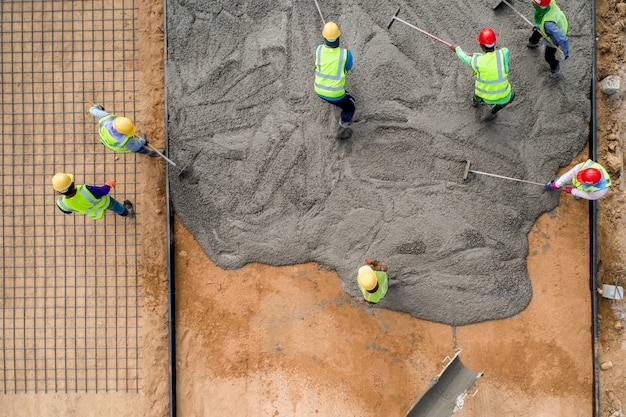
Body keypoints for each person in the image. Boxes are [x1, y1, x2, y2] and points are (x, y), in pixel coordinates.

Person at [450, 28, 515, 120]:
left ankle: (475, 102)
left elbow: (464, 57)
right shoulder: (503, 53)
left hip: (484, 96)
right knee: (511, 95)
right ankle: (493, 111)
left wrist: (457, 49)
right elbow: (498, 53)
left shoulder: (476, 61)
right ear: (494, 43)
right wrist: (474, 54)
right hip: (503, 97)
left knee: (477, 95)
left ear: (481, 46)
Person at [314, 21, 356, 129]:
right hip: (335, 94)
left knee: (344, 96)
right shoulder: (346, 54)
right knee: (351, 105)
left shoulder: (318, 49)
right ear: (339, 36)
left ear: (324, 37)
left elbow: (320, 48)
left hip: (318, 89)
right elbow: (348, 67)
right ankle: (343, 125)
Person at [52, 172, 134, 220]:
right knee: (116, 206)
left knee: (106, 208)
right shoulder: (86, 189)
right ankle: (126, 212)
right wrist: (109, 184)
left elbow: (68, 211)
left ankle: (122, 212)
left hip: (94, 212)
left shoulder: (61, 204)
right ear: (72, 185)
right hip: (106, 203)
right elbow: (103, 191)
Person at [89, 104, 160, 156]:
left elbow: (92, 110)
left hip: (104, 138)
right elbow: (134, 147)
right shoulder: (125, 140)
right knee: (139, 148)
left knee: (136, 142)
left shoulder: (106, 118)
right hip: (114, 144)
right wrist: (142, 141)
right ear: (123, 133)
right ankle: (150, 153)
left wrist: (98, 107)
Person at [527, 0, 569, 79]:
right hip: (551, 25)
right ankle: (533, 42)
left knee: (548, 56)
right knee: (537, 32)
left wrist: (565, 52)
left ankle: (555, 68)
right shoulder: (549, 2)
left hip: (554, 37)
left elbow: (562, 39)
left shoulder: (548, 24)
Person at [545, 159, 611, 200]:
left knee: (579, 194)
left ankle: (577, 193)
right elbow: (569, 174)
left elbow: (588, 195)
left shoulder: (600, 191)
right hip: (574, 180)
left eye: (581, 180)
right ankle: (552, 184)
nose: (580, 180)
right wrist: (557, 184)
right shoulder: (585, 166)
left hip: (584, 190)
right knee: (564, 180)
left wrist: (572, 191)